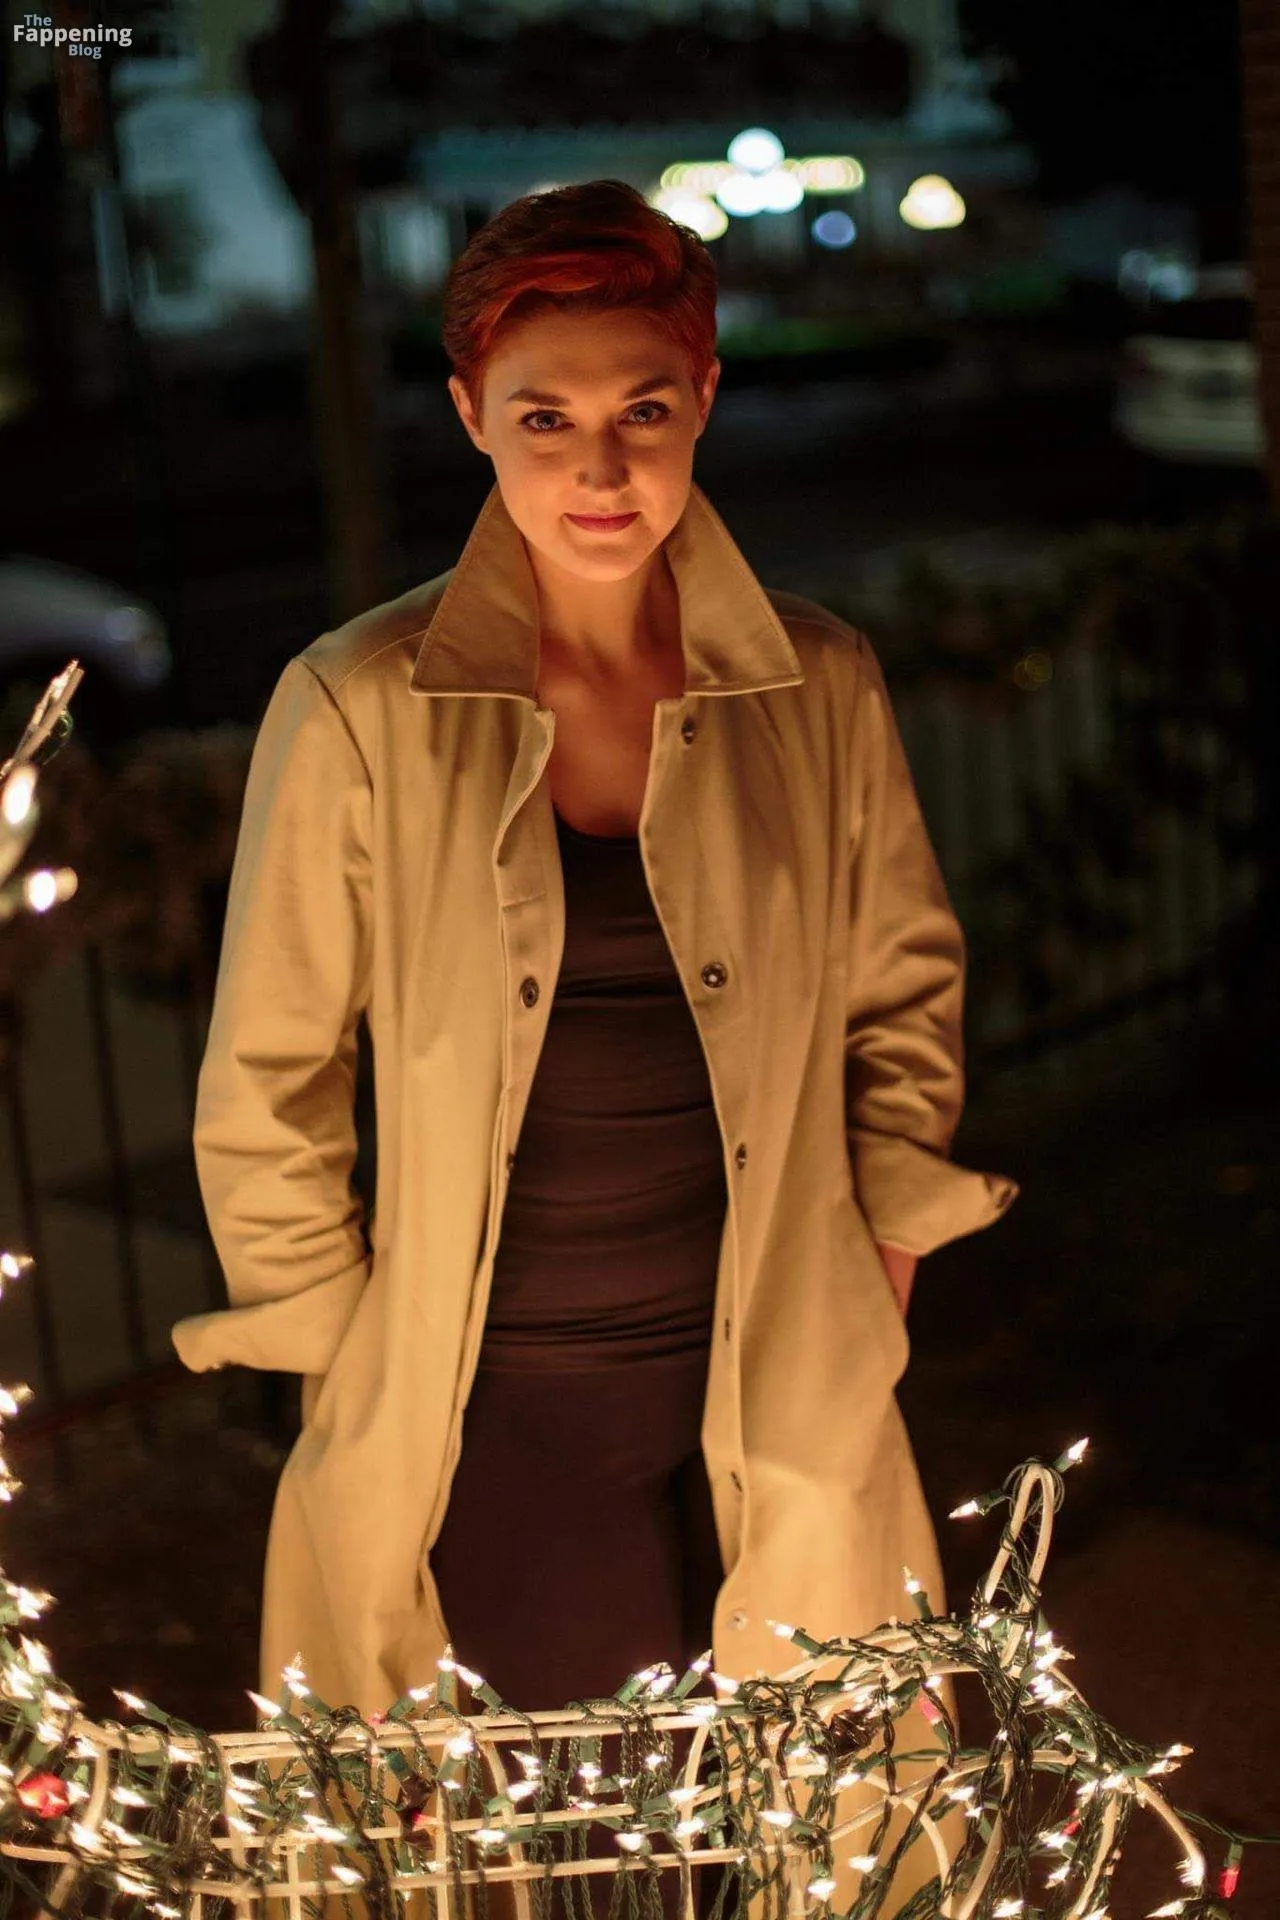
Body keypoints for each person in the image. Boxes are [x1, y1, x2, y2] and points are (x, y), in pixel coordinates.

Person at [172, 177, 1015, 1876]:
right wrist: (346, 1346)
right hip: (492, 1410)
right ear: (471, 415)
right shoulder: (361, 702)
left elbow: (902, 988)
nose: (601, 468)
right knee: (549, 1849)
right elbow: (268, 1072)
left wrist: (883, 1255)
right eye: (544, 416)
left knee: (794, 1835)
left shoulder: (815, 685)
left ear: (704, 399)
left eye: (643, 409)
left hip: (774, 1375)